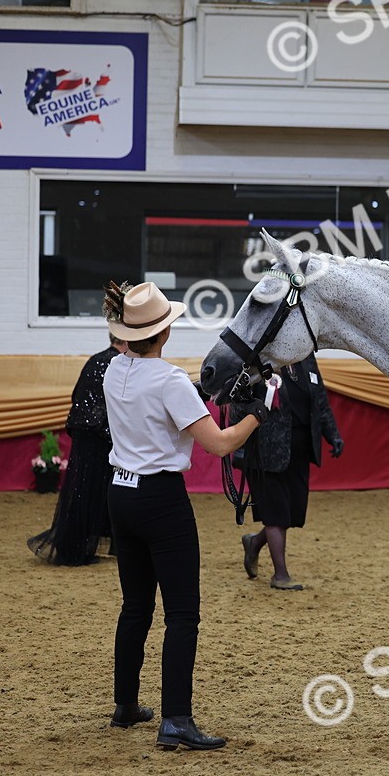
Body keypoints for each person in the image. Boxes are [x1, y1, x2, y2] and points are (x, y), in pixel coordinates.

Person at [102, 280, 266, 751]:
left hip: (121, 493)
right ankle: (176, 719)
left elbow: (166, 402)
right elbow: (220, 443)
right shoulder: (170, 380)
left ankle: (125, 704)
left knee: (136, 606)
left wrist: (204, 392)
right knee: (183, 614)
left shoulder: (115, 369)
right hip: (160, 501)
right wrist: (258, 411)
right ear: (165, 333)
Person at [234, 353, 343, 591]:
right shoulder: (256, 361)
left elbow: (320, 400)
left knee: (291, 514)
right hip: (265, 451)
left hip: (299, 450)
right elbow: (238, 405)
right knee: (276, 513)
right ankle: (280, 575)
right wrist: (239, 448)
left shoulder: (307, 360)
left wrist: (332, 434)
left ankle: (254, 543)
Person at [27, 333, 128, 565]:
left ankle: (81, 545)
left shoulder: (95, 359)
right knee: (95, 489)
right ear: (125, 340)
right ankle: (78, 549)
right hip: (98, 436)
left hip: (85, 433)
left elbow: (77, 397)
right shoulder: (116, 363)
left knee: (85, 488)